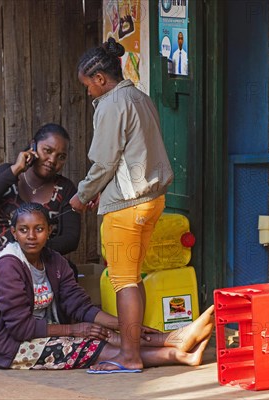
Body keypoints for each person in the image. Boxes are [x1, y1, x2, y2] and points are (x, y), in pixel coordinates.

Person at [0, 202, 215, 371]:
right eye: (23, 230)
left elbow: (79, 305)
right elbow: (20, 327)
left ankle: (173, 340)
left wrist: (123, 325)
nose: (31, 236)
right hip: (11, 346)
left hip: (44, 333)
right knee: (90, 343)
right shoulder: (8, 266)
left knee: (105, 332)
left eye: (39, 229)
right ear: (14, 233)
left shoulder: (55, 261)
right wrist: (74, 330)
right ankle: (176, 354)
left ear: (49, 231)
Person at [69, 38, 174, 373]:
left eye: (88, 86)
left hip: (126, 207)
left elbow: (104, 163)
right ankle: (134, 349)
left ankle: (129, 356)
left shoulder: (112, 104)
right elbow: (133, 154)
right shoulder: (140, 97)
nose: (88, 93)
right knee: (133, 277)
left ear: (100, 79)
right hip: (151, 200)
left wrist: (82, 195)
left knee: (123, 281)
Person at [0, 123, 80, 361]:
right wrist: (15, 169)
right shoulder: (8, 173)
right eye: (47, 150)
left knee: (68, 274)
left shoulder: (66, 188)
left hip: (41, 261)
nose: (53, 159)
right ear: (33, 147)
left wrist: (33, 251)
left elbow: (72, 238)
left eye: (60, 156)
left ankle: (57, 334)